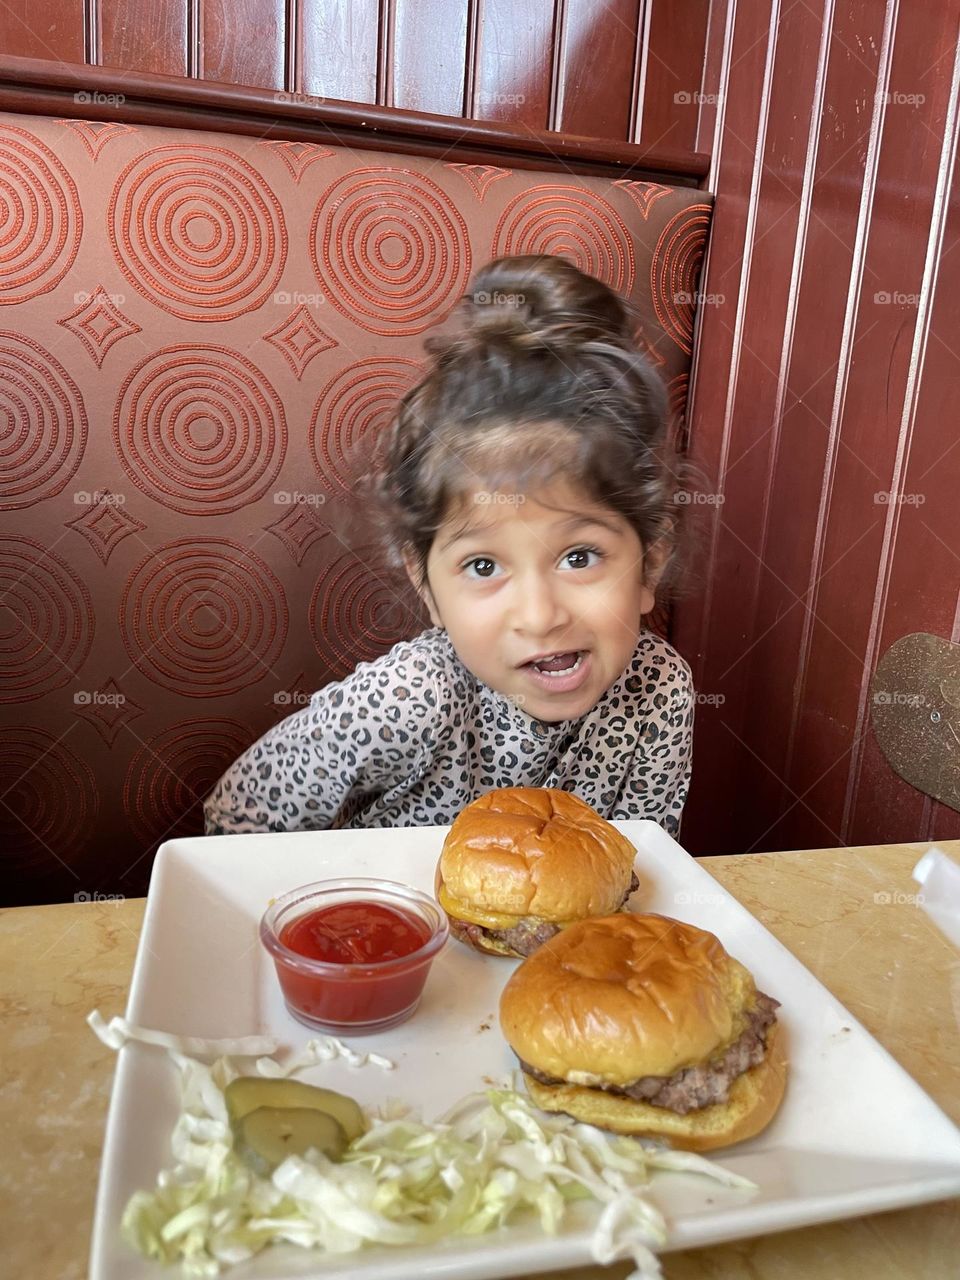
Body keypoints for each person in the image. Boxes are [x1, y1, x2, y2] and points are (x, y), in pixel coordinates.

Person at [203, 253, 695, 839]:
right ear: (427, 588)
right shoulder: (411, 697)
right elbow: (237, 814)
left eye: (579, 557)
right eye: (484, 565)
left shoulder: (660, 691)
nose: (540, 616)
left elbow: (640, 862)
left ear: (650, 564)